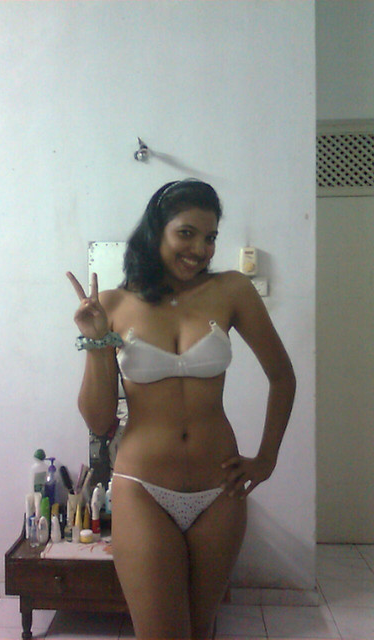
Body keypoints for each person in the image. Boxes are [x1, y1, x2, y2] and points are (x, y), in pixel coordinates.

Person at [67, 179, 296, 640]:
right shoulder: (113, 304)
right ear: (157, 230)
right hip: (143, 490)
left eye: (209, 237)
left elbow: (282, 377)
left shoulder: (231, 290)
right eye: (186, 233)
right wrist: (96, 342)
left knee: (200, 630)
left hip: (220, 491)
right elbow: (99, 420)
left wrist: (267, 458)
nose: (200, 249)